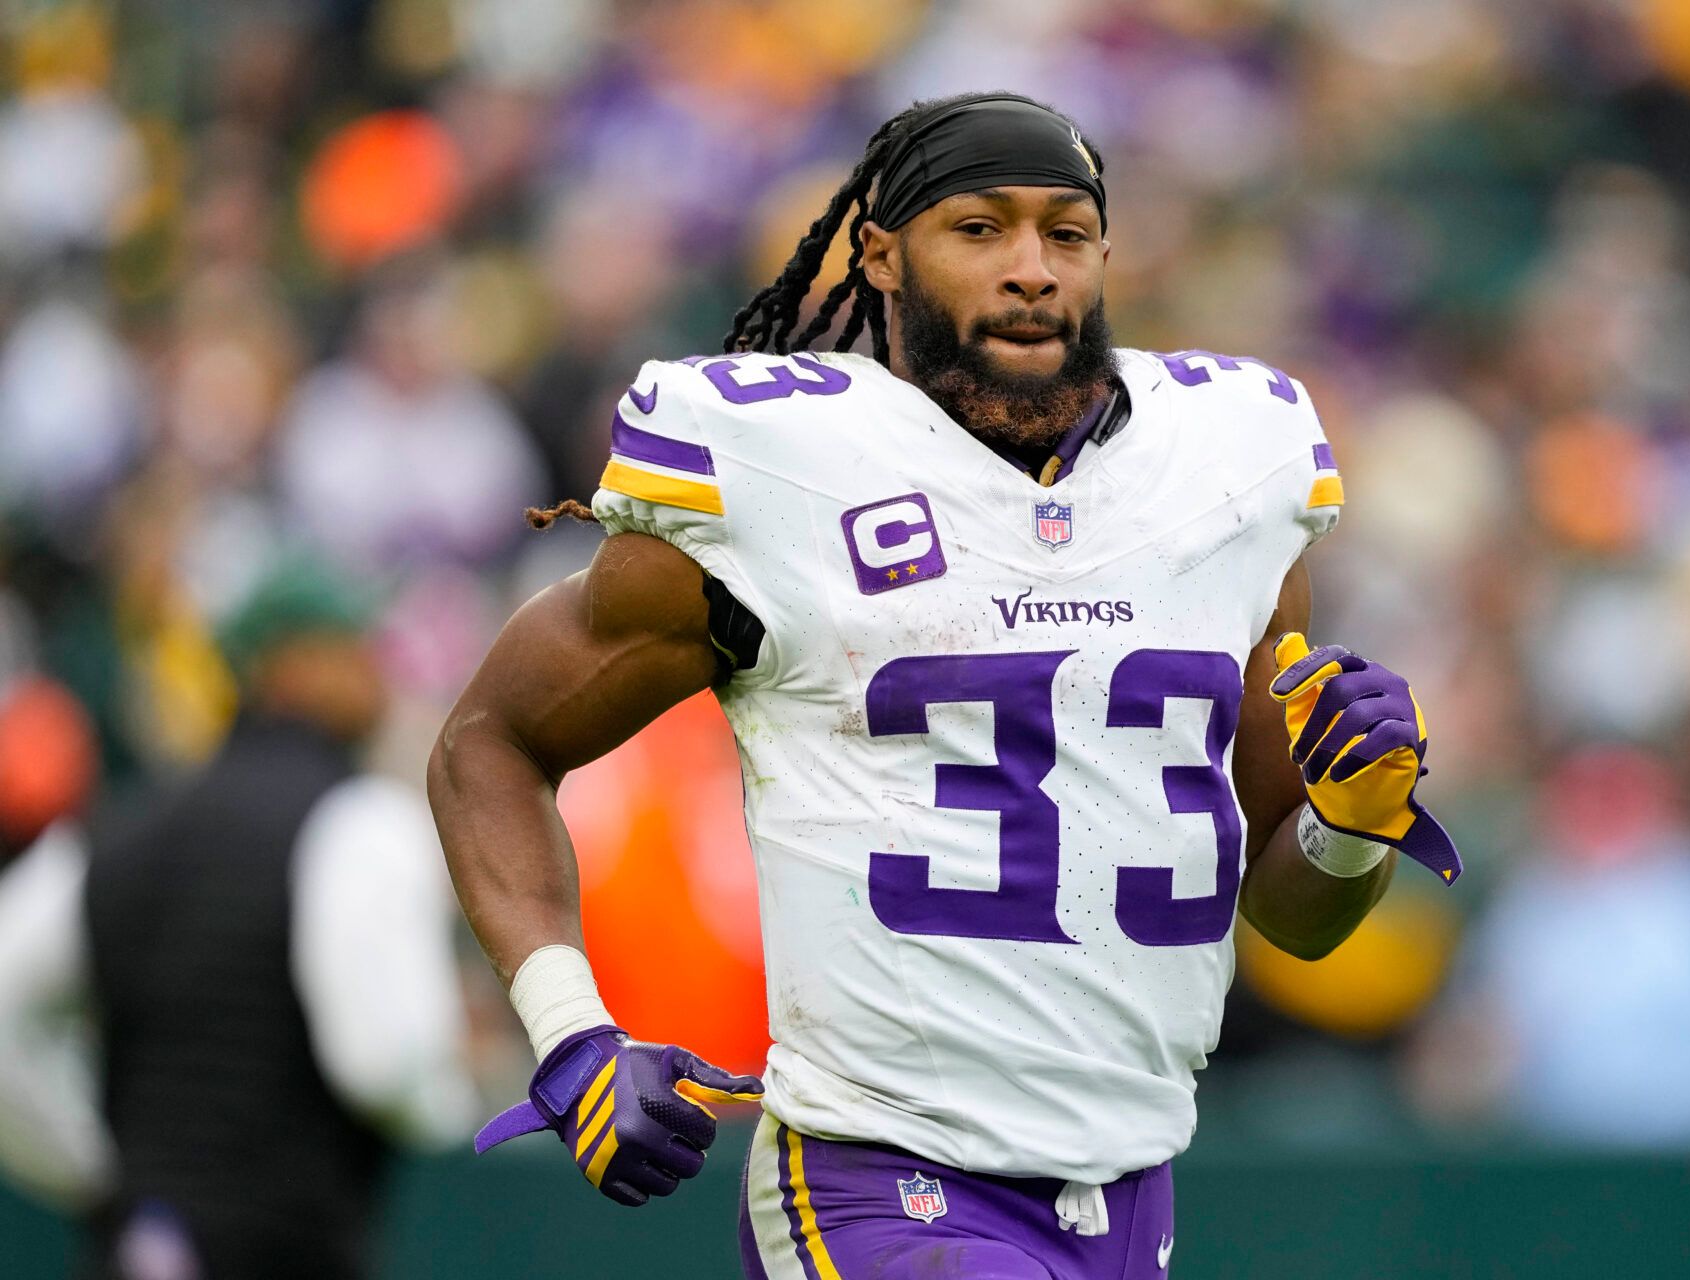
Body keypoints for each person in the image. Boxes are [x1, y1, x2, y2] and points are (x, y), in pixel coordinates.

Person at [430, 91, 1461, 1279]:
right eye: (979, 228)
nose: (1030, 270)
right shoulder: (786, 473)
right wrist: (571, 1031)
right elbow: (491, 742)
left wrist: (1351, 823)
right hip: (878, 1176)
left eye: (1064, 234)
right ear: (879, 252)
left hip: (1129, 1193)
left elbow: (1292, 911)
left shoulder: (1229, 470)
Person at [0, 561, 474, 1279]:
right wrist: (449, 1100)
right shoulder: (363, 822)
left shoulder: (115, 834)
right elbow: (385, 1066)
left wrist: (99, 1173)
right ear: (286, 667)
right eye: (349, 644)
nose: (376, 666)